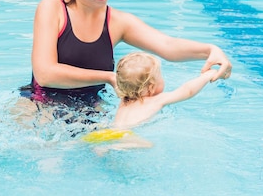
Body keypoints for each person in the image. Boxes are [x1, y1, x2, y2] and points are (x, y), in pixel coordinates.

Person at [27, 0, 231, 106]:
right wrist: (107, 76)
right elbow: (45, 74)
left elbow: (168, 45)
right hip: (41, 104)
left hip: (91, 108)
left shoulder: (116, 22)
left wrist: (210, 50)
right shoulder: (53, 8)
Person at [82, 52, 216, 147]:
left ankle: (102, 147)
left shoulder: (125, 97)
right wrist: (206, 76)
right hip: (124, 134)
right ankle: (111, 147)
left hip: (105, 131)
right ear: (152, 87)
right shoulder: (157, 100)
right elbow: (187, 91)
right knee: (148, 145)